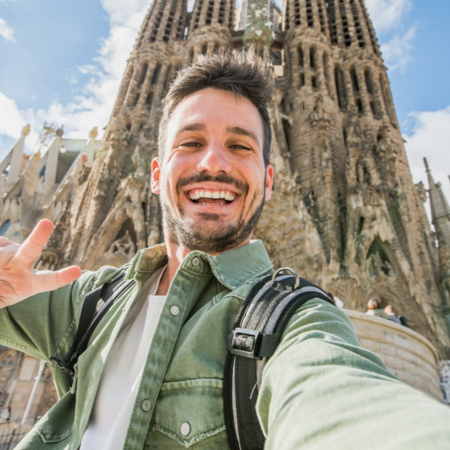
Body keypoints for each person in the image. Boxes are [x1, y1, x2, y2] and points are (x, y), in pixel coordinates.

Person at [0, 52, 450, 450]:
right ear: (156, 173)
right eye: (191, 142)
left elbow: (336, 393)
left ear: (268, 180)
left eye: (239, 145)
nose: (213, 162)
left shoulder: (294, 323)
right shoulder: (90, 301)